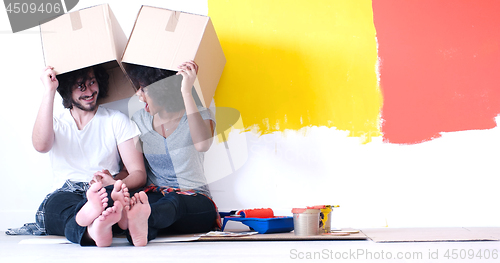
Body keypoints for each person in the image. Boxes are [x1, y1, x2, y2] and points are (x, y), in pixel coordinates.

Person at [22, 65, 147, 247]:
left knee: (113, 202)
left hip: (104, 191)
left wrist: (113, 183)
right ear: (67, 91)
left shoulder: (116, 120)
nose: (89, 91)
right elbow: (41, 146)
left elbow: (138, 173)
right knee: (53, 209)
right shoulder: (56, 123)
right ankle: (96, 224)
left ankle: (95, 227)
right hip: (66, 192)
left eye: (92, 82)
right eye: (81, 86)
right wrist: (49, 91)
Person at [123, 60, 219, 245]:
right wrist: (113, 183)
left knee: (173, 203)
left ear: (162, 90)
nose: (138, 94)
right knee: (146, 203)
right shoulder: (139, 121)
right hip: (154, 196)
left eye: (143, 88)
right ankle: (140, 226)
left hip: (193, 199)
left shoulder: (198, 114)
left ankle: (141, 220)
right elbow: (132, 168)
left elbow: (202, 145)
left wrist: (185, 91)